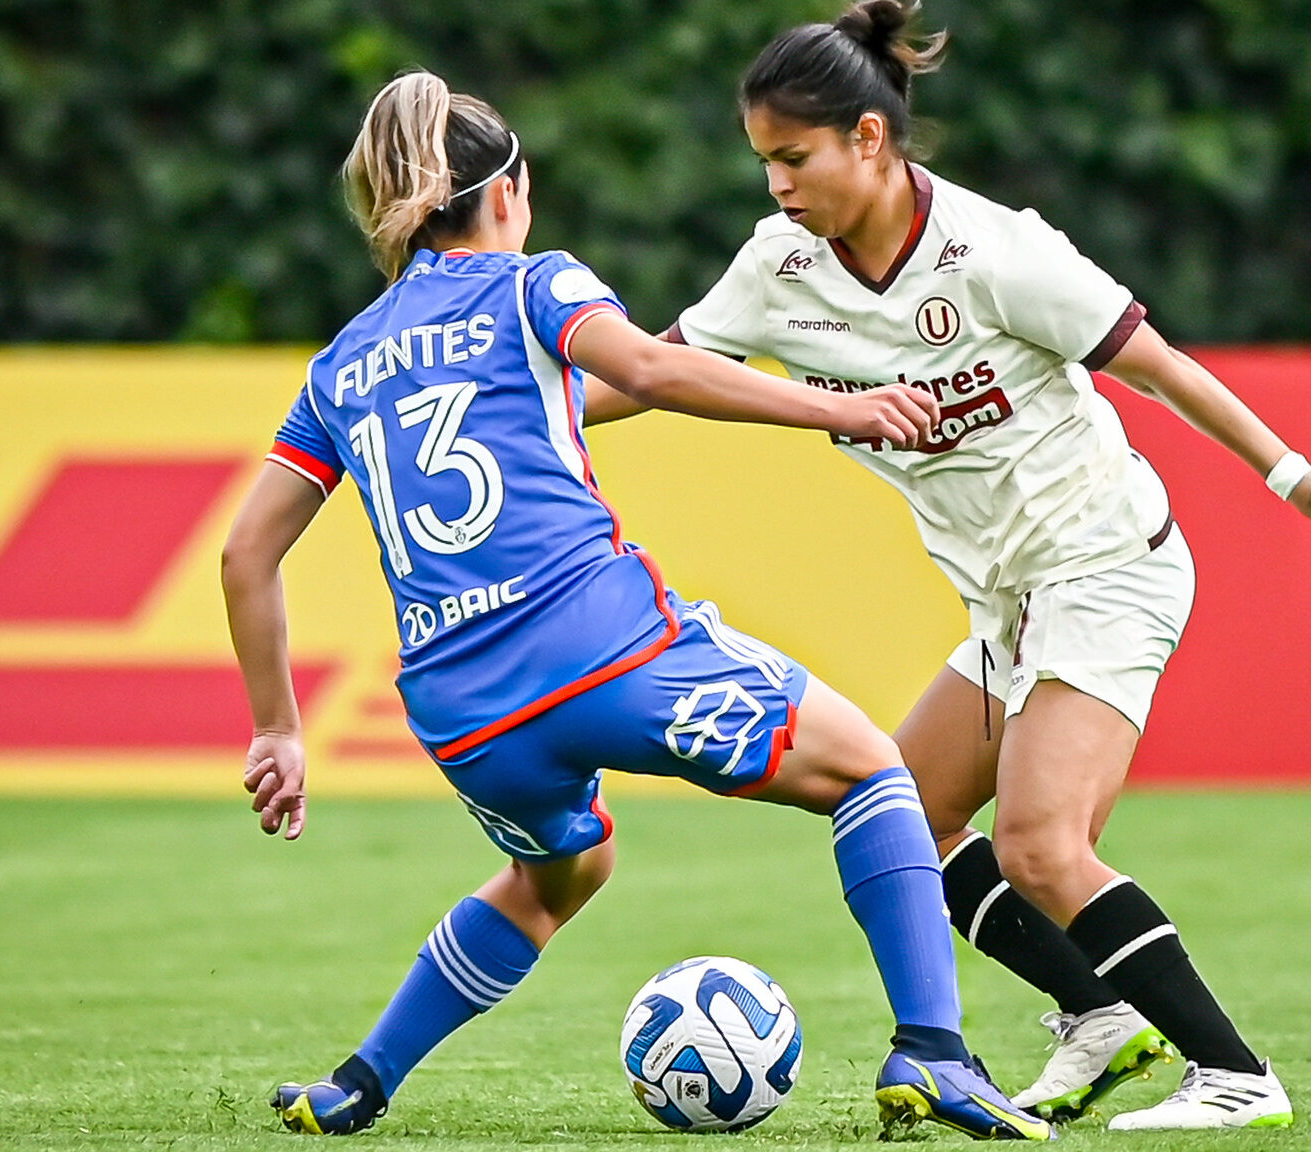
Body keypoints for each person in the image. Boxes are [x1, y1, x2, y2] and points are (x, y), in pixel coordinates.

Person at [219, 70, 1056, 1141]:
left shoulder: (342, 363)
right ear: (508, 192)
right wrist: (840, 406)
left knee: (560, 870)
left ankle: (357, 1084)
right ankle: (933, 1049)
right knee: (868, 771)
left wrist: (278, 730)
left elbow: (248, 553)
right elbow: (654, 372)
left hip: (464, 714)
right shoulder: (535, 287)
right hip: (603, 650)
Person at [628, 0, 1311, 1131]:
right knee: (897, 810)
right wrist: (523, 408)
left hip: (1103, 564)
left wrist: (1289, 475)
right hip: (1005, 604)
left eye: (792, 158)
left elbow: (1157, 365)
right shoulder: (776, 268)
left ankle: (1235, 1075)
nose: (776, 185)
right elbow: (648, 373)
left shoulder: (994, 252)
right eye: (762, 163)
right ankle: (1097, 1020)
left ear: (869, 141)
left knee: (1041, 844)